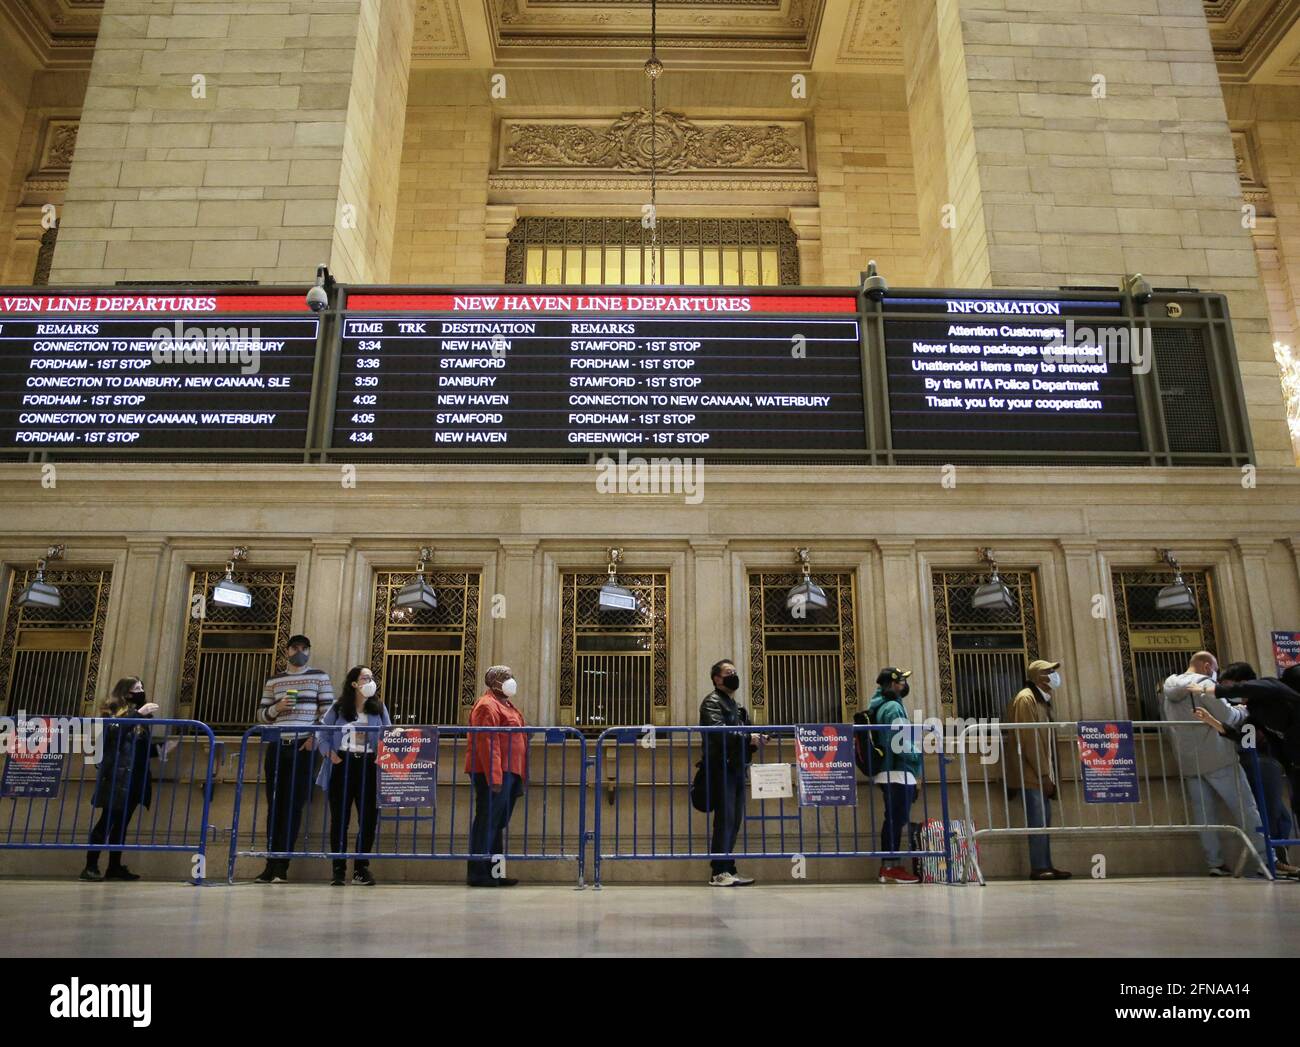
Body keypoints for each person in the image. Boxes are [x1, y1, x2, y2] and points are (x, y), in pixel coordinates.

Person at [1161, 651, 1268, 876]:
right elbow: (1226, 716)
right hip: (1218, 757)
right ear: (1208, 666)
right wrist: (1242, 710)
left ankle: (1215, 863)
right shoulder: (1204, 685)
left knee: (1204, 815)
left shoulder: (1168, 688)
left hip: (1188, 761)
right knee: (1246, 809)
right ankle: (1267, 860)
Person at [1188, 661, 1300, 876]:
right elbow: (1245, 738)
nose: (1231, 694)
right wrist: (1213, 721)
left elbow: (1255, 688)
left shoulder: (1273, 688)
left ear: (1245, 683)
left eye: (1230, 686)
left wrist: (1210, 689)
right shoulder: (1255, 712)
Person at [254, 634, 333, 884]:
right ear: (286, 651)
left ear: (309, 651)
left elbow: (328, 713)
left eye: (304, 648)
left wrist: (314, 738)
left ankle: (282, 865)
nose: (299, 652)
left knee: (294, 804)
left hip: (303, 746)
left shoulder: (320, 677)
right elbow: (261, 715)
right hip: (278, 744)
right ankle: (270, 862)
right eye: (295, 648)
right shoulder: (274, 680)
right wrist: (278, 708)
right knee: (274, 805)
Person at [316, 666, 390, 886]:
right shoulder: (339, 707)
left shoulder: (378, 708)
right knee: (340, 819)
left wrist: (382, 755)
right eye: (365, 678)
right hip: (343, 763)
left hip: (369, 765)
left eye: (371, 678)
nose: (370, 681)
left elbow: (388, 733)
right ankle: (338, 868)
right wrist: (330, 754)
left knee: (368, 818)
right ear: (354, 683)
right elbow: (323, 731)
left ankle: (361, 868)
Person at [81, 678, 159, 882]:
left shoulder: (141, 715)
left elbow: (141, 745)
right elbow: (113, 734)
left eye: (142, 687)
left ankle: (114, 866)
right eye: (136, 689)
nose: (141, 691)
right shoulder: (112, 710)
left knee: (122, 824)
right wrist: (138, 714)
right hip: (118, 775)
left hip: (136, 776)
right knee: (107, 821)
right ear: (125, 691)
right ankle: (90, 865)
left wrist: (160, 750)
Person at [1006, 659, 1071, 880]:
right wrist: (1043, 774)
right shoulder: (1026, 699)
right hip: (1031, 773)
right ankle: (1040, 866)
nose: (1053, 675)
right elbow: (1029, 740)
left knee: (1043, 820)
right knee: (1038, 820)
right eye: (1049, 671)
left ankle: (1046, 864)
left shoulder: (1041, 700)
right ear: (1038, 677)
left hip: (1040, 772)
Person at [465, 665, 527, 887]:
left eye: (511, 676)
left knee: (497, 823)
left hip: (510, 770)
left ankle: (495, 872)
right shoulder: (486, 706)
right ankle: (478, 872)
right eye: (506, 677)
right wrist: (495, 777)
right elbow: (487, 743)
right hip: (493, 772)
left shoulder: (506, 704)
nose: (511, 680)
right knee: (487, 821)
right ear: (494, 682)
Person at [699, 658, 756, 887]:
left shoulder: (737, 706)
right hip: (720, 767)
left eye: (734, 671)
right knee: (725, 820)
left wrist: (756, 739)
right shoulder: (712, 702)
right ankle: (718, 871)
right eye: (728, 672)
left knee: (734, 821)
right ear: (717, 678)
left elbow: (747, 730)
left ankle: (728, 867)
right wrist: (748, 738)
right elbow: (719, 732)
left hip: (736, 767)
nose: (733, 675)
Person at [866, 667, 921, 884]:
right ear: (893, 684)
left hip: (891, 771)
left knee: (894, 819)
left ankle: (890, 864)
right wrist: (917, 756)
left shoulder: (883, 706)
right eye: (901, 682)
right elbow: (900, 743)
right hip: (898, 771)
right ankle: (890, 866)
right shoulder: (893, 709)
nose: (904, 686)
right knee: (895, 821)